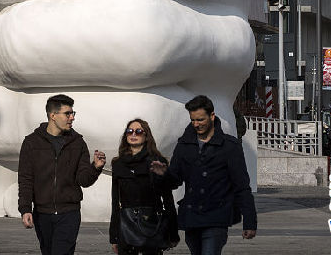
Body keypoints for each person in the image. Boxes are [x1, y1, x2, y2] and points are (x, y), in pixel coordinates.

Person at [150, 95, 256, 255]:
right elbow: (175, 180)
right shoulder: (184, 144)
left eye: (200, 119)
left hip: (217, 217)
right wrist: (163, 174)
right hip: (192, 217)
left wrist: (250, 222)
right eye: (193, 120)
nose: (196, 124)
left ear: (212, 116)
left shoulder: (229, 146)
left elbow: (241, 186)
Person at [18, 94, 106, 255]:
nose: (72, 117)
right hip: (42, 214)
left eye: (73, 113)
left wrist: (95, 167)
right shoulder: (31, 142)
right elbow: (25, 179)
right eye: (67, 113)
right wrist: (25, 209)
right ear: (53, 115)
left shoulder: (78, 142)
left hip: (69, 213)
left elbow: (83, 180)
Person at [109, 119, 178, 255]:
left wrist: (173, 232)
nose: (133, 134)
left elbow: (168, 199)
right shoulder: (118, 163)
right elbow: (115, 201)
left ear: (146, 136)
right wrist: (114, 236)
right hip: (126, 225)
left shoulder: (157, 161)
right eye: (129, 131)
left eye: (139, 131)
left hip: (152, 224)